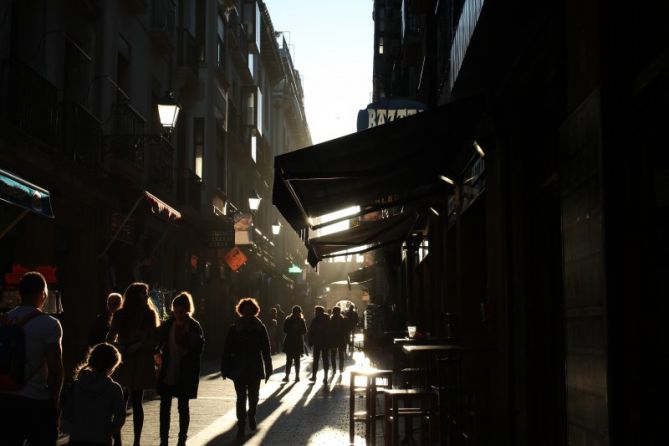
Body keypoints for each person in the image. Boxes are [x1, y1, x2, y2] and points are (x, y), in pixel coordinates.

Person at [0, 271, 64, 446]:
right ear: (43, 294)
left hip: (5, 398)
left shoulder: (4, 320)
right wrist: (55, 400)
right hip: (36, 399)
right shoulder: (50, 324)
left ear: (20, 293)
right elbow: (55, 368)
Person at [106, 282, 160, 446]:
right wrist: (121, 347)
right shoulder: (121, 314)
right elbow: (110, 338)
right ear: (136, 296)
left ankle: (135, 440)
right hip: (125, 360)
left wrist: (139, 345)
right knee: (121, 402)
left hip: (140, 361)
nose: (147, 296)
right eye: (144, 293)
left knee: (136, 401)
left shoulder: (149, 314)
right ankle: (119, 439)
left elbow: (154, 340)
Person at [156, 292, 204, 446]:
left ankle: (182, 439)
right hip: (168, 369)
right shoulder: (167, 325)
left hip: (185, 371)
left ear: (187, 310)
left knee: (183, 406)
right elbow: (158, 343)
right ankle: (164, 440)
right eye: (175, 311)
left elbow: (199, 349)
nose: (178, 315)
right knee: (165, 407)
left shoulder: (194, 326)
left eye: (181, 312)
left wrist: (190, 344)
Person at [221, 298, 273, 438]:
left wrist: (268, 368)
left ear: (254, 311)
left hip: (255, 366)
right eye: (246, 310)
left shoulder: (260, 328)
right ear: (241, 311)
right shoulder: (234, 328)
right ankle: (241, 425)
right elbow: (227, 349)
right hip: (239, 367)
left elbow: (266, 349)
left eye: (251, 310)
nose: (248, 312)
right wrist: (224, 368)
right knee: (241, 397)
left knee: (254, 396)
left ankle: (252, 414)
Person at [64, 342, 125, 446]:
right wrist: (108, 432)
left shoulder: (76, 385)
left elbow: (67, 413)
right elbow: (120, 418)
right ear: (112, 365)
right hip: (101, 439)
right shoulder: (114, 389)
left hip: (77, 438)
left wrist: (74, 429)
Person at [281, 305, 307, 382]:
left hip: (290, 342)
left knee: (290, 360)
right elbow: (304, 331)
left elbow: (284, 330)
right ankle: (295, 376)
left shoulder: (288, 319)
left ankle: (288, 376)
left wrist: (294, 329)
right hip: (297, 342)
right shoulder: (300, 320)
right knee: (296, 361)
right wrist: (296, 329)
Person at [307, 306, 330, 383]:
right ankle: (324, 377)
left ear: (319, 312)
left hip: (319, 343)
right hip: (324, 343)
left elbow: (311, 332)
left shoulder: (316, 320)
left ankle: (315, 376)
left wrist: (310, 342)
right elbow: (311, 332)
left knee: (317, 360)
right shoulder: (326, 319)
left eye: (316, 311)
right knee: (324, 360)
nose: (315, 313)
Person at [329, 306, 348, 373]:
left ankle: (335, 369)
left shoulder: (331, 320)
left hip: (334, 340)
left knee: (333, 355)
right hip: (341, 339)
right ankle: (341, 368)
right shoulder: (343, 319)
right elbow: (346, 330)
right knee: (340, 355)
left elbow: (329, 331)